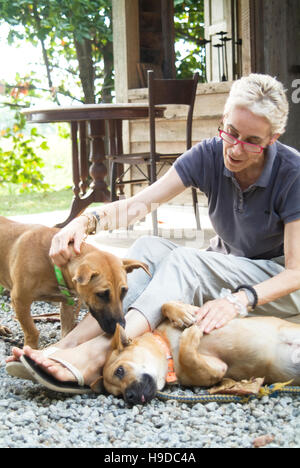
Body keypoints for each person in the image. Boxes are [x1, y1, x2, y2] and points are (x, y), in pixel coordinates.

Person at [7, 74, 300, 391]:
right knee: (147, 248)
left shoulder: (292, 172)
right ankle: (67, 346)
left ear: (273, 138)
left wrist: (239, 302)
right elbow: (139, 204)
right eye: (231, 132)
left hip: (281, 284)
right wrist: (83, 222)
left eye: (252, 141)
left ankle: (96, 355)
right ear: (223, 119)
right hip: (231, 267)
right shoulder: (210, 154)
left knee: (186, 261)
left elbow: (295, 272)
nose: (236, 149)